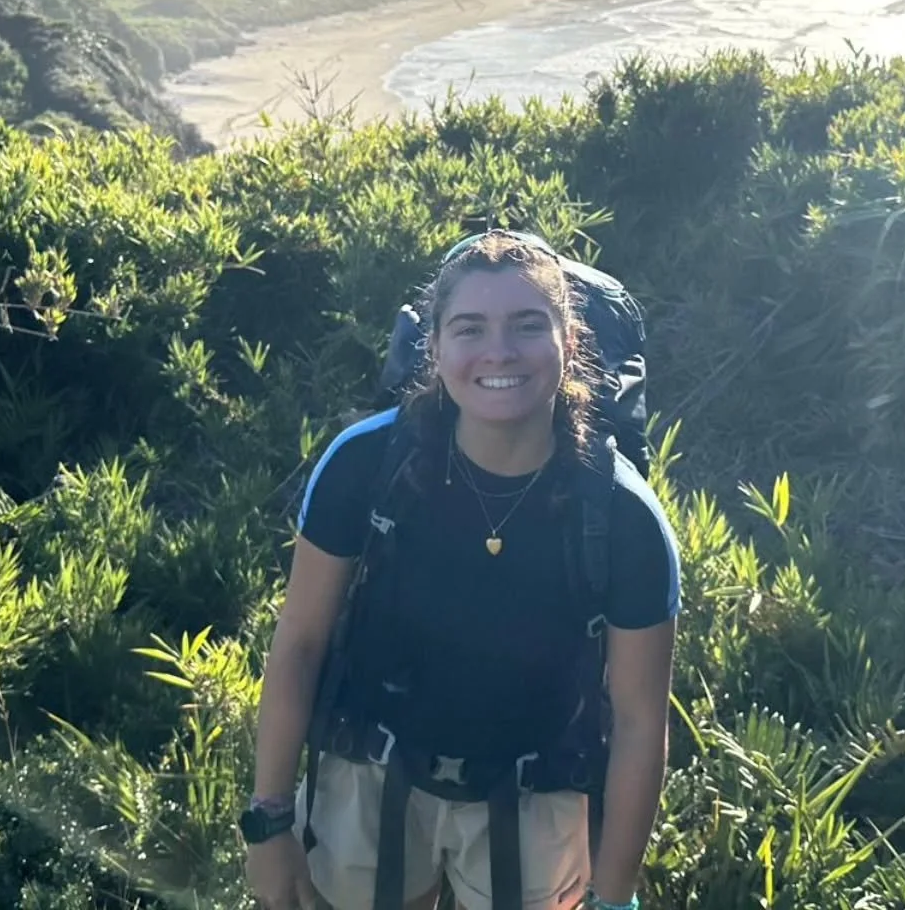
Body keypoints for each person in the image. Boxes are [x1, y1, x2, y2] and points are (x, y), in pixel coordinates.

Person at [244, 230, 680, 910]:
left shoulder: (623, 516)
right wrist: (269, 824)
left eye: (528, 326)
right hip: (367, 776)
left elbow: (638, 720)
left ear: (569, 343)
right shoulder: (366, 464)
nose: (499, 352)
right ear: (435, 347)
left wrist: (614, 897)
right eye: (470, 328)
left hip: (539, 795)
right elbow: (298, 644)